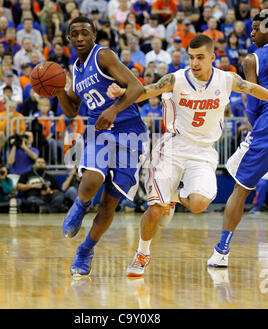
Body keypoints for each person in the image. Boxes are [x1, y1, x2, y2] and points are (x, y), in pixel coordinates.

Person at [107, 33, 268, 276]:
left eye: (200, 58)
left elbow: (253, 89)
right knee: (154, 210)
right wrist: (122, 93)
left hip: (203, 152)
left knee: (199, 204)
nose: (194, 63)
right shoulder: (176, 79)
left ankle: (173, 196)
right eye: (191, 57)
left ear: (212, 57)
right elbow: (146, 91)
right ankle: (142, 253)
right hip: (172, 148)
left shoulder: (227, 79)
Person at [53, 16, 147, 277]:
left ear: (93, 35)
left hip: (130, 133)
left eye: (85, 33)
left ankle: (85, 250)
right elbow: (72, 110)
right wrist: (59, 89)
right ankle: (79, 207)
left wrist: (114, 111)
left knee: (108, 205)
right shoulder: (76, 67)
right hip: (100, 131)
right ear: (69, 39)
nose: (80, 38)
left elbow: (136, 87)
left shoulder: (103, 56)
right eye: (75, 34)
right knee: (92, 178)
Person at [207, 12, 268, 267]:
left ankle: (222, 251)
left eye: (255, 29)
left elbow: (253, 103)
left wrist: (255, 127)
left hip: (265, 129)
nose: (251, 34)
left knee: (240, 190)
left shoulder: (252, 59)